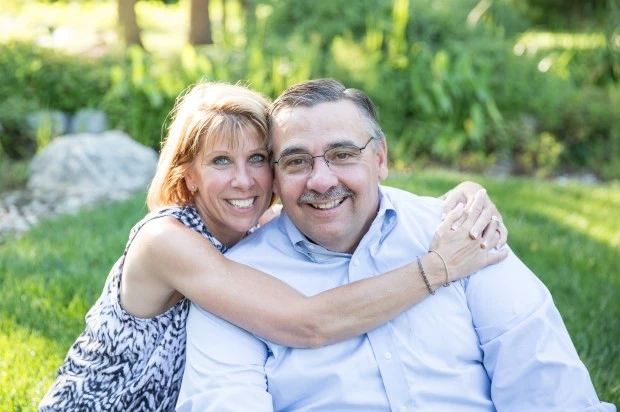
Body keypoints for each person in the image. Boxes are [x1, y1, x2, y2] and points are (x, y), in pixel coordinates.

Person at [39, 82, 508, 411]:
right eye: (221, 161)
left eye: (258, 159)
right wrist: (439, 267)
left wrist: (464, 196)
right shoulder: (167, 242)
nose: (244, 180)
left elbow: (337, 196)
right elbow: (307, 323)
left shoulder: (245, 227)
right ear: (189, 175)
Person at [177, 79, 615, 411]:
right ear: (275, 176)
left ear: (380, 158)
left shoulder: (460, 232)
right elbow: (225, 398)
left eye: (343, 155)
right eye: (296, 161)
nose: (321, 180)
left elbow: (542, 378)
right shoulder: (237, 281)